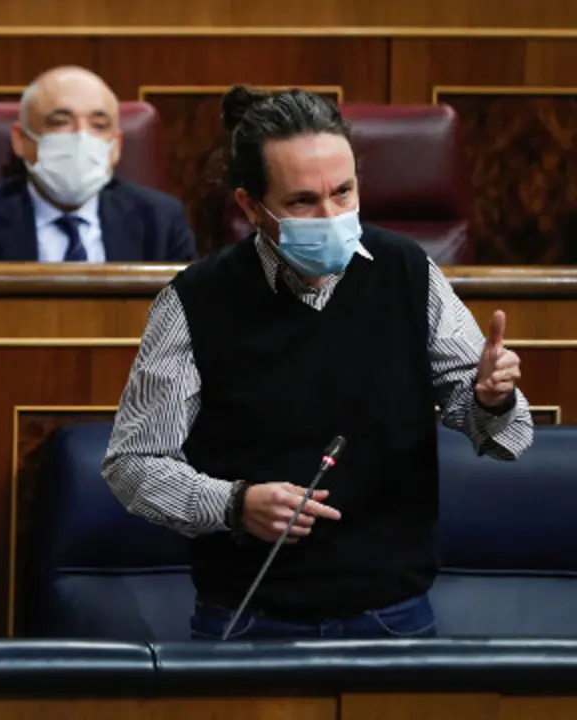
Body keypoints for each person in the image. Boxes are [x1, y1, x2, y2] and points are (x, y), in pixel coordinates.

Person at [103, 86, 533, 641]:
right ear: (250, 207)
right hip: (249, 617)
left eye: (344, 192)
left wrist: (490, 400)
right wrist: (234, 504)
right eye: (303, 201)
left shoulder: (407, 272)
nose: (330, 215)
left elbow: (505, 438)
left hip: (391, 614)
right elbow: (133, 464)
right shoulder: (195, 301)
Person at [0, 65, 197, 263]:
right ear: (21, 140)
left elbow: (190, 323)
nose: (81, 136)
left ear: (116, 147)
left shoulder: (161, 221)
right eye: (59, 122)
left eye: (99, 125)